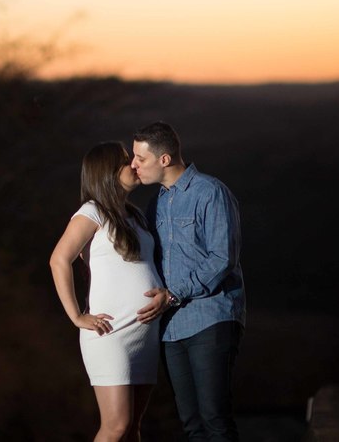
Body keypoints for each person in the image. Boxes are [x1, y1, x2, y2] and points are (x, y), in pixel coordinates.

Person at [132, 121, 246, 442]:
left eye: (141, 159)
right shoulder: (156, 203)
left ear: (164, 159)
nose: (133, 165)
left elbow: (223, 258)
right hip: (170, 328)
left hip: (211, 318)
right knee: (191, 424)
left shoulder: (210, 192)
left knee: (215, 419)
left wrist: (173, 294)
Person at [50, 141, 163, 442]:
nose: (135, 165)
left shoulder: (135, 215)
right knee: (115, 425)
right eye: (127, 161)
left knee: (132, 429)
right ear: (108, 172)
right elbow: (59, 259)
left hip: (144, 334)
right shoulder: (92, 212)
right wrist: (76, 315)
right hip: (110, 332)